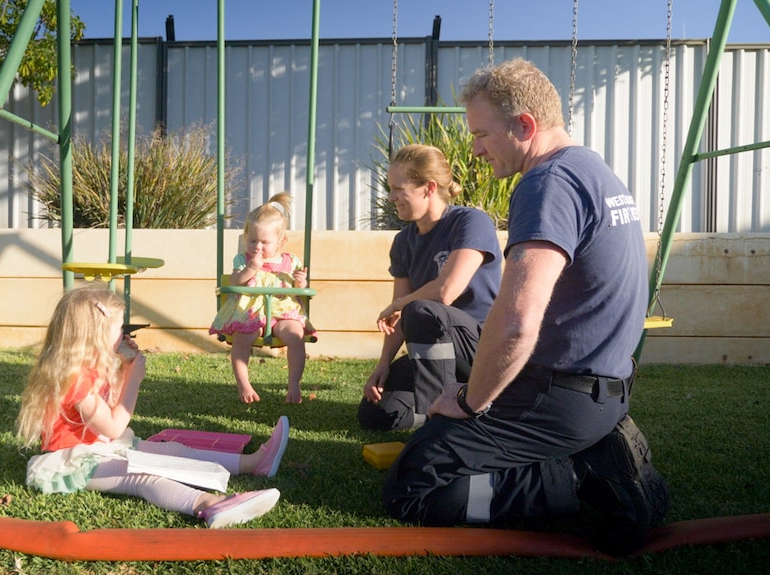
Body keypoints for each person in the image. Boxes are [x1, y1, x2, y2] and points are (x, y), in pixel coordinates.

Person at [381, 58, 669, 556]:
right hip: (605, 390)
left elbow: (515, 323)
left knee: (413, 486)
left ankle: (583, 480)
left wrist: (470, 401)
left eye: (481, 134)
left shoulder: (547, 182)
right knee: (434, 444)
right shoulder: (594, 169)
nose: (474, 150)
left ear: (525, 126)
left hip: (561, 396)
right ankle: (593, 446)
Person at [17, 284, 289, 529]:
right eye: (118, 328)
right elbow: (113, 427)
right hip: (75, 462)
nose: (123, 333)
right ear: (95, 335)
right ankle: (210, 504)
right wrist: (133, 380)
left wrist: (124, 368)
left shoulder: (89, 367)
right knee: (143, 477)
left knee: (171, 450)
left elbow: (108, 413)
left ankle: (254, 463)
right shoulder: (74, 379)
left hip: (98, 448)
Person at [357, 144, 502, 431]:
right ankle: (463, 407)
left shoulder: (471, 222)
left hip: (482, 349)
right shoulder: (403, 242)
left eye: (399, 189)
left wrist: (400, 305)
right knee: (376, 414)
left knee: (423, 310)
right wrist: (383, 363)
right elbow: (399, 317)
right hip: (434, 351)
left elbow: (446, 290)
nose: (391, 197)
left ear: (428, 188)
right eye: (391, 188)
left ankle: (441, 425)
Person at [210, 192, 316, 404]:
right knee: (241, 339)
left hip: (283, 310)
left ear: (281, 241)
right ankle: (244, 384)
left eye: (264, 242)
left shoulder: (290, 261)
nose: (257, 247)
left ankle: (294, 384)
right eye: (252, 241)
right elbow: (234, 282)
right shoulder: (243, 260)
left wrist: (301, 282)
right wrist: (251, 269)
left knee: (295, 337)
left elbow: (298, 289)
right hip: (251, 311)